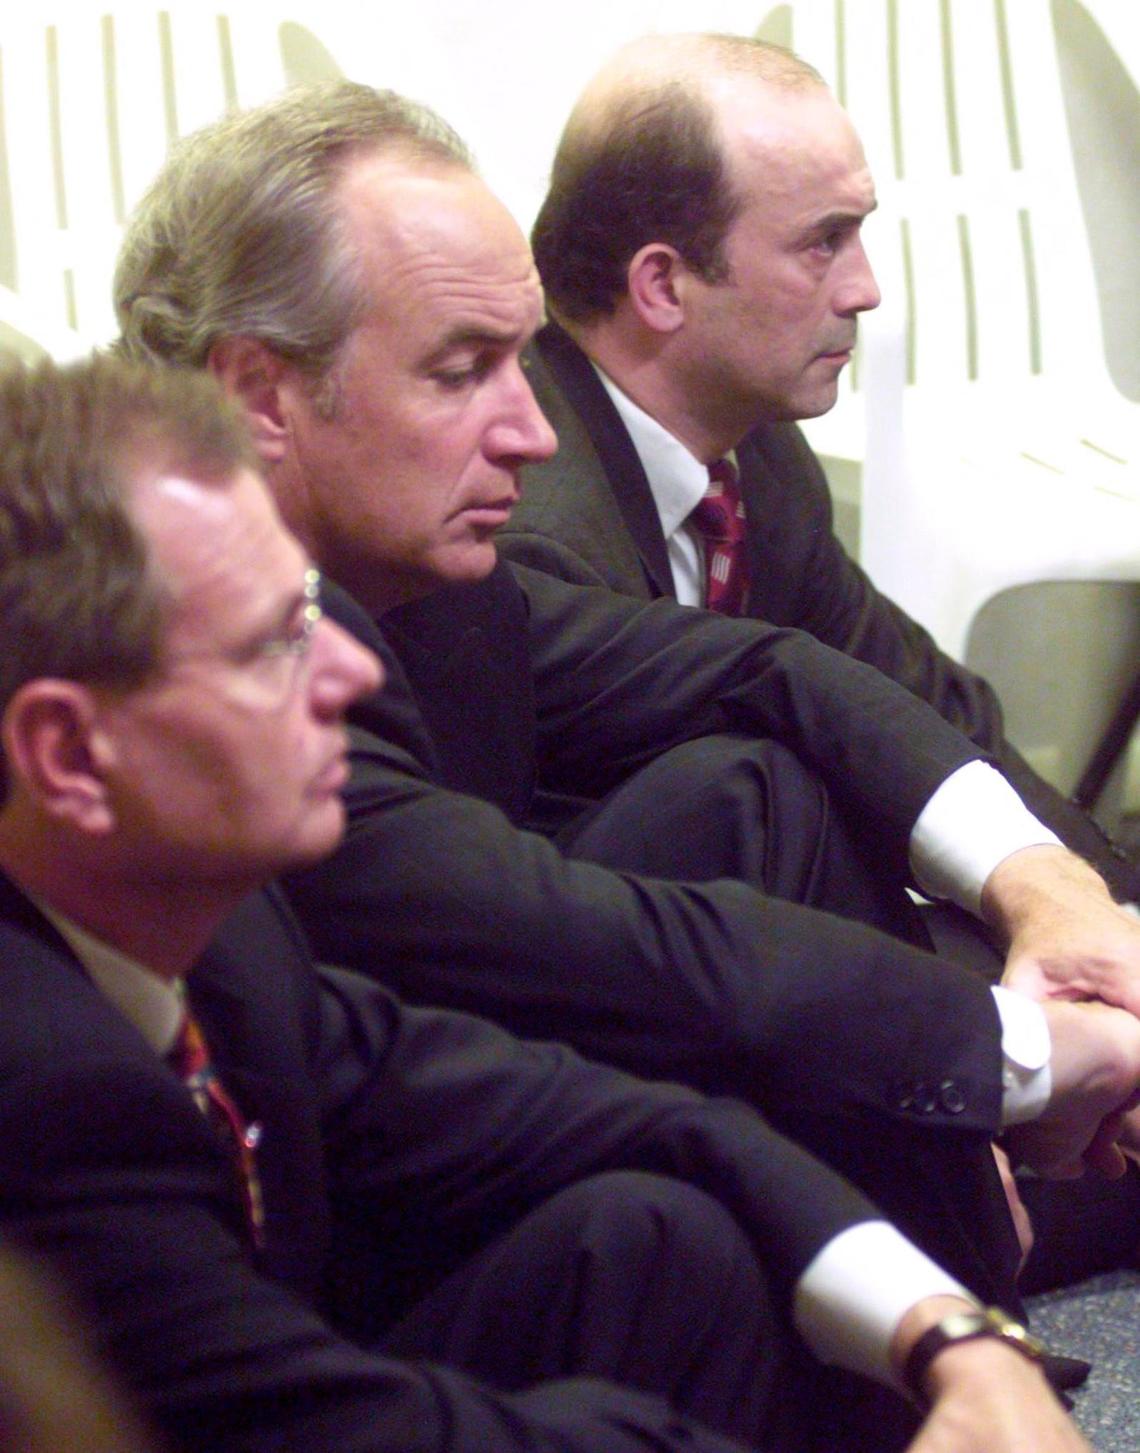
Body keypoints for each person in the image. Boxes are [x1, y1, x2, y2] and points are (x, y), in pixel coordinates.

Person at [112, 82, 1140, 1305]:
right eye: (462, 370)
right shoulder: (179, 648)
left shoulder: (449, 577)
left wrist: (1062, 900)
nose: (530, 430)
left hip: (509, 1076)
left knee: (769, 801)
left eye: (518, 360)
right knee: (687, 1209)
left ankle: (954, 1260)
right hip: (326, 1249)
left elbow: (780, 671)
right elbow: (567, 935)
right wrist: (1010, 1060)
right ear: (256, 394)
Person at [0, 352, 1118, 1453]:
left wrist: (948, 1330)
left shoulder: (232, 944)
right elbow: (366, 1430)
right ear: (68, 755)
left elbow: (635, 1119)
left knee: (652, 1232)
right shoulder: (49, 1087)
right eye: (269, 647)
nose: (349, 671)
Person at [506, 31, 1140, 910]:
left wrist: (1104, 902)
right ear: (662, 286)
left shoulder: (753, 445)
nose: (865, 289)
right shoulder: (533, 530)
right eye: (823, 242)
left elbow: (917, 697)